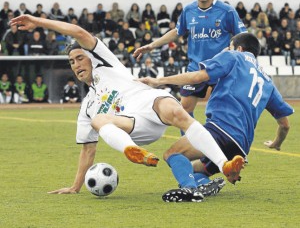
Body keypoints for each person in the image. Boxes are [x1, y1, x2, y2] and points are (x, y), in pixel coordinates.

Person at [11, 14, 243, 196]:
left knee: (176, 111)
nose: (76, 64)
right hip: (132, 126)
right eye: (71, 62)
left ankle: (225, 165)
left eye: (80, 58)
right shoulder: (87, 105)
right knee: (97, 119)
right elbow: (88, 150)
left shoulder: (105, 62)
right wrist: (75, 186)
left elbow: (78, 31)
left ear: (91, 57)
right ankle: (133, 152)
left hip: (148, 101)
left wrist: (38, 22)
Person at [138, 32, 294, 202]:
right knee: (195, 169)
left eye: (230, 46)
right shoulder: (268, 82)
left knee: (172, 154)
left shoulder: (234, 57)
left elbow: (197, 77)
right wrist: (276, 143)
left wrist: (159, 81)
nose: (227, 48)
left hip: (220, 128)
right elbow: (285, 124)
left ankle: (190, 191)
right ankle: (203, 184)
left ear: (239, 48)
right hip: (241, 146)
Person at [133, 0, 247, 136]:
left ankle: (234, 149)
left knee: (223, 112)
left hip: (220, 68)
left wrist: (233, 51)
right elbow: (177, 32)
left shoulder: (227, 11)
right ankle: (188, 147)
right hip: (196, 68)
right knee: (184, 109)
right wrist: (151, 45)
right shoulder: (188, 10)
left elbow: (242, 36)